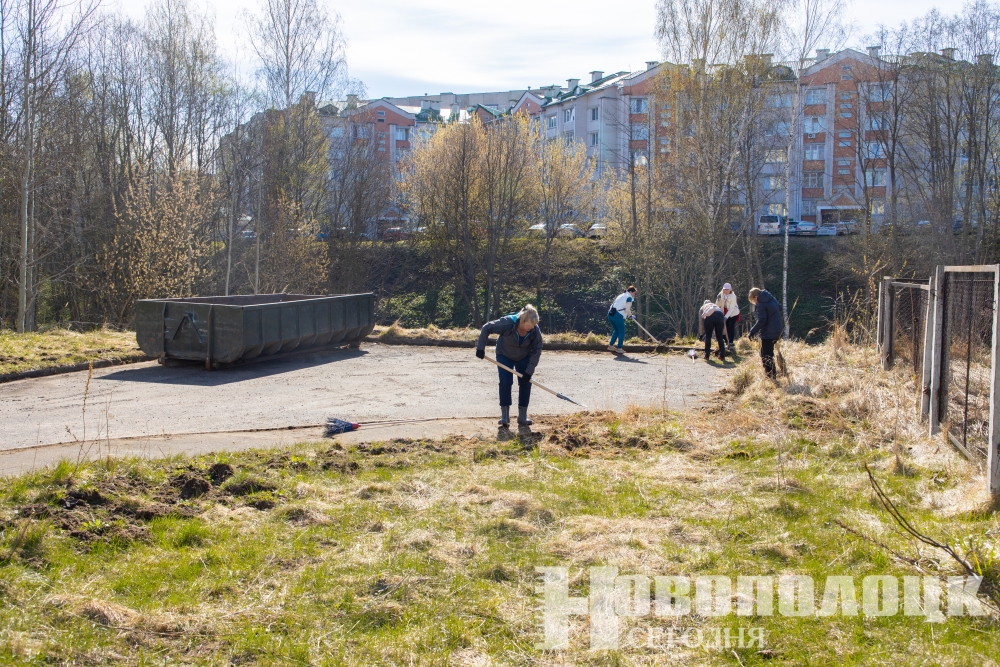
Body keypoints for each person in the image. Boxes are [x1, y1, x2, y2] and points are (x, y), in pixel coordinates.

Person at [476, 304, 543, 427]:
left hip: (524, 356)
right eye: (530, 325)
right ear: (523, 321)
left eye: (534, 325)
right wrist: (480, 348)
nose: (533, 327)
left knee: (526, 382)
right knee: (505, 382)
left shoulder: (534, 330)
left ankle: (522, 416)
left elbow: (537, 349)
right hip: (504, 354)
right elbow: (486, 328)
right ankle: (505, 416)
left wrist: (529, 371)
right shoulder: (507, 323)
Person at [747, 287, 783, 380]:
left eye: (753, 300)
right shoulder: (771, 299)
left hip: (768, 333)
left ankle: (771, 377)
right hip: (778, 329)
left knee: (766, 355)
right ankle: (771, 375)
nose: (754, 302)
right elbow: (780, 308)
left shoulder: (761, 304)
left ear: (756, 297)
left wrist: (752, 331)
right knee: (765, 352)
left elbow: (762, 320)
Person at [607, 286, 637, 354]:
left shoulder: (621, 295)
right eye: (634, 293)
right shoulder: (629, 298)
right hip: (617, 315)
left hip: (610, 314)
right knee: (621, 331)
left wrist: (629, 314)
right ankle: (619, 348)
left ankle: (611, 346)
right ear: (630, 292)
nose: (634, 295)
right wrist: (630, 315)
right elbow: (627, 310)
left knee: (616, 330)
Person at [715, 283, 740, 352]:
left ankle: (731, 342)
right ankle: (727, 341)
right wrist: (718, 299)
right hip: (725, 312)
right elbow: (717, 305)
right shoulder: (721, 294)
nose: (726, 291)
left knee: (731, 326)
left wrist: (725, 317)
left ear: (730, 290)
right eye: (725, 289)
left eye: (727, 290)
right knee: (726, 327)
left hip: (733, 313)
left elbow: (731, 308)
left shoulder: (733, 296)